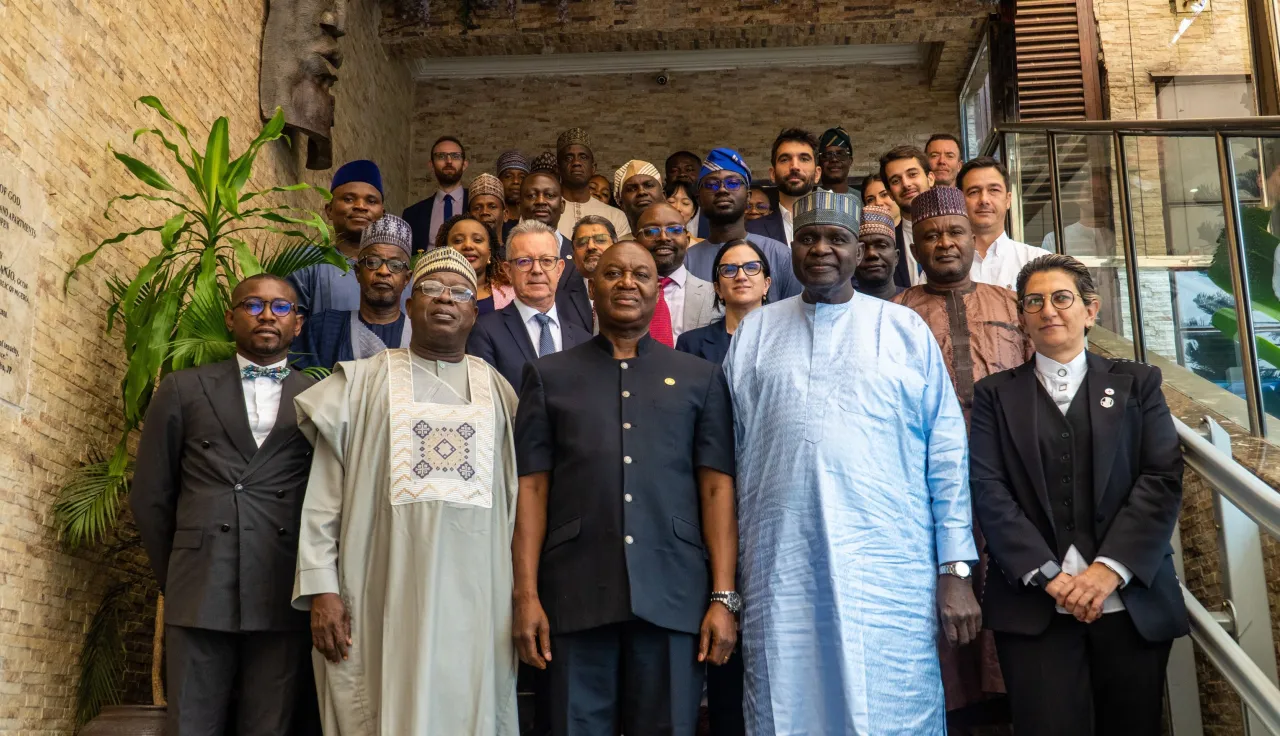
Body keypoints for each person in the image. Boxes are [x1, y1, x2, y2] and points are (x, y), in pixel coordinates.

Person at [723, 190, 980, 734]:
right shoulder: (755, 334)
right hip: (780, 568)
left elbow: (947, 457)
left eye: (836, 239)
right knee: (786, 706)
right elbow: (731, 454)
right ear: (791, 250)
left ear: (856, 250)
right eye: (809, 238)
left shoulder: (903, 330)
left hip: (889, 570)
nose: (822, 249)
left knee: (889, 704)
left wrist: (955, 569)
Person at [511, 241, 739, 736]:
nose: (627, 283)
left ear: (658, 288)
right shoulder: (550, 376)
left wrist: (723, 596)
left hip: (674, 595)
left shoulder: (699, 377)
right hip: (572, 595)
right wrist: (525, 595)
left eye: (640, 274)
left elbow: (717, 491)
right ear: (592, 288)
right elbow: (530, 491)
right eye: (613, 273)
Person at [292, 247, 521, 735]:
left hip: (481, 599)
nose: (445, 299)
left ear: (474, 312)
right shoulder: (361, 382)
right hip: (379, 591)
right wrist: (320, 588)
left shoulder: (500, 392)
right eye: (431, 289)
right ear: (410, 303)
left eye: (459, 292)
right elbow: (324, 494)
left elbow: (520, 505)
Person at [971, 254, 1188, 736]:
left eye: (1062, 298)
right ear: (1022, 317)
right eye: (1034, 301)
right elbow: (989, 488)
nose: (1049, 310)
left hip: (1129, 601)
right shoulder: (994, 395)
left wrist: (1107, 570)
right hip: (1035, 605)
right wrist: (1050, 575)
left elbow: (1161, 476)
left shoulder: (1139, 383)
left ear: (1091, 311)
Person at [132, 274, 314, 736]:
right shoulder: (182, 388)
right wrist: (178, 572)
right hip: (200, 584)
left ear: (298, 324)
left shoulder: (321, 398)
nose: (267, 315)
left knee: (267, 727)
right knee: (191, 724)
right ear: (231, 318)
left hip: (280, 584)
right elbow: (152, 495)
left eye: (280, 307)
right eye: (253, 306)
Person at [891, 187, 1032, 728]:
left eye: (954, 233)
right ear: (916, 244)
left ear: (974, 239)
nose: (944, 243)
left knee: (1010, 601)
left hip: (1009, 477)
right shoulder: (895, 314)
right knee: (941, 608)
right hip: (925, 484)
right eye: (931, 235)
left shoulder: (1010, 302)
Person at [467, 220, 593, 390]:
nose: (537, 270)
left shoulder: (583, 340)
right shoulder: (485, 332)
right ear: (508, 271)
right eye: (525, 261)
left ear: (560, 269)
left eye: (547, 261)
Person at [292, 215, 414, 371]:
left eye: (395, 265)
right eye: (372, 262)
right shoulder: (322, 329)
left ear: (407, 278)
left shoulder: (421, 336)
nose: (383, 271)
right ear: (357, 272)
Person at [683, 148, 801, 304]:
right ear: (698, 199)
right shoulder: (685, 262)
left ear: (748, 196)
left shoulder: (781, 256)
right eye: (711, 185)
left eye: (733, 183)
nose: (722, 190)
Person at [289, 160, 385, 315]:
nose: (360, 206)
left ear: (382, 215)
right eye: (348, 199)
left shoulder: (398, 274)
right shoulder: (305, 261)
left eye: (371, 201)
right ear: (329, 210)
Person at [958, 157, 1049, 291]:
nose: (984, 200)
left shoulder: (1038, 262)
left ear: (1008, 199)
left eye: (994, 190)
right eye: (974, 192)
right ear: (960, 201)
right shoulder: (944, 266)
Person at [677, 239, 771, 365]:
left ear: (766, 284)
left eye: (751, 267)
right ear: (718, 288)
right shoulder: (690, 344)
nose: (741, 276)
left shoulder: (787, 338)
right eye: (729, 270)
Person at [634, 203, 717, 345]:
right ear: (636, 243)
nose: (663, 237)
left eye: (675, 230)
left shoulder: (713, 295)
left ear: (687, 241)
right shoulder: (620, 293)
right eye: (651, 231)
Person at [554, 128, 631, 240]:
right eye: (568, 158)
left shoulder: (616, 216)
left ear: (593, 168)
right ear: (558, 169)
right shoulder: (543, 212)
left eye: (583, 157)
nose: (576, 162)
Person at [437, 214, 515, 316]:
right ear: (444, 250)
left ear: (489, 253)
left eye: (477, 240)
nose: (468, 245)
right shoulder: (431, 292)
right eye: (458, 241)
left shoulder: (512, 295)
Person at [881, 144, 936, 287]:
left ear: (930, 178)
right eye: (895, 181)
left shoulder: (958, 235)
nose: (906, 184)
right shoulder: (886, 245)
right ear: (890, 193)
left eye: (912, 174)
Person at [403, 135, 469, 253]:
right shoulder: (412, 214)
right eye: (441, 156)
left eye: (455, 156)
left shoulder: (478, 205)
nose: (449, 161)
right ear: (431, 165)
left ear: (464, 164)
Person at [761, 128, 821, 244]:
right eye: (784, 159)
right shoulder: (752, 230)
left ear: (817, 173)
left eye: (804, 159)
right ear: (773, 174)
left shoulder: (838, 224)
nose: (794, 166)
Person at [563, 215, 617, 332]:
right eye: (582, 242)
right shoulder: (559, 294)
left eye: (600, 240)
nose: (591, 246)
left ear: (616, 246)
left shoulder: (631, 286)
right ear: (573, 255)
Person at [853, 204, 903, 301]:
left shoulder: (915, 304)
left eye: (882, 246)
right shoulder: (841, 309)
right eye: (862, 248)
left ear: (896, 257)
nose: (872, 254)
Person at [520, 170, 575, 258]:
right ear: (519, 205)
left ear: (562, 206)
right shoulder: (505, 254)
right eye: (531, 195)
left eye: (549, 195)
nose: (541, 201)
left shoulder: (578, 255)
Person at [614, 159, 665, 234]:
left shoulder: (680, 239)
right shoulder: (616, 244)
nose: (641, 192)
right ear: (621, 203)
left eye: (649, 185)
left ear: (664, 195)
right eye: (631, 189)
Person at [497, 150, 530, 230]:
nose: (516, 181)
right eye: (508, 176)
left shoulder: (534, 219)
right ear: (498, 180)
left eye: (522, 177)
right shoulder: (493, 219)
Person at [818, 127, 853, 193]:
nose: (834, 159)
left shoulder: (863, 200)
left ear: (850, 161)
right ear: (818, 162)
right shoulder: (809, 199)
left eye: (840, 154)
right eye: (827, 155)